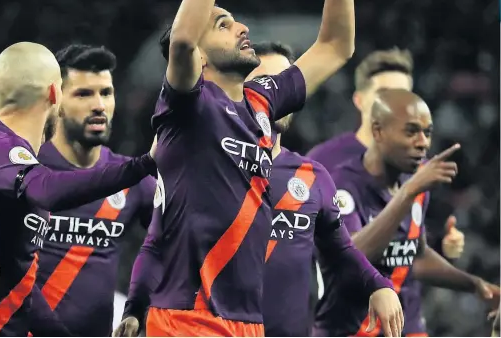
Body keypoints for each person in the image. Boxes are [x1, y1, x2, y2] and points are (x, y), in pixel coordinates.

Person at [144, 0, 380, 334]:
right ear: (199, 60)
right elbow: (183, 40)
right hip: (189, 318)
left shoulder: (261, 103)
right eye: (223, 25)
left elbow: (336, 46)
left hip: (248, 322)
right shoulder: (187, 108)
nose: (242, 28)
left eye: (238, 22)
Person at [116, 42, 404, 338]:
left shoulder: (312, 177)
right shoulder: (201, 168)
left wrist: (377, 284)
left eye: (283, 84)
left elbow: (341, 248)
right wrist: (135, 308)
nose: (276, 96)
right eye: (264, 84)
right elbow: (156, 243)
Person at [0, 42, 156, 337]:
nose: (98, 105)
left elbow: (19, 288)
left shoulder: (6, 161)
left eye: (106, 93)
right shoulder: (7, 158)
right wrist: (147, 162)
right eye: (83, 93)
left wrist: (136, 309)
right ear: (56, 95)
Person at [313, 89, 500, 337]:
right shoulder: (341, 184)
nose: (423, 142)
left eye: (427, 133)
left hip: (398, 327)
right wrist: (408, 192)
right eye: (411, 131)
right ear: (378, 131)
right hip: (347, 330)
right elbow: (350, 257)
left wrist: (474, 284)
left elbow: (415, 256)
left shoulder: (414, 181)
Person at [306, 48, 465, 261]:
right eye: (384, 94)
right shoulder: (322, 161)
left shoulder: (418, 166)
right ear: (359, 100)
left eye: (403, 95)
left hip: (406, 294)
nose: (395, 104)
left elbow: (413, 245)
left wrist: (444, 247)